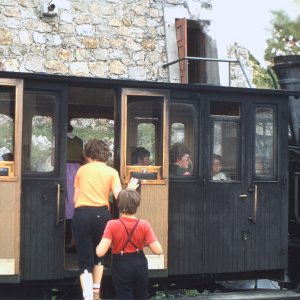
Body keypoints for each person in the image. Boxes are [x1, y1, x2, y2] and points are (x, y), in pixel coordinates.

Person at [72, 139, 139, 300]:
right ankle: (96, 294)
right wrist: (129, 189)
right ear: (105, 154)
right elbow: (120, 199)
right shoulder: (112, 172)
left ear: (87, 154)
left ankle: (88, 297)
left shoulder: (81, 170)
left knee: (84, 262)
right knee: (99, 256)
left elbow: (75, 199)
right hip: (102, 216)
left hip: (82, 214)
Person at [96, 189, 163, 300]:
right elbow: (158, 250)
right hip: (140, 263)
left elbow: (100, 252)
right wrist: (144, 243)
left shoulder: (112, 224)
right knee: (141, 296)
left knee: (123, 296)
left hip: (121, 265)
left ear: (119, 205)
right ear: (137, 205)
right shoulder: (144, 224)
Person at [65, 123, 83, 251]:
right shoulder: (79, 141)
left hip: (65, 171)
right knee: (74, 202)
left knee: (67, 204)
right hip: (77, 169)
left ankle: (69, 239)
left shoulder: (60, 139)